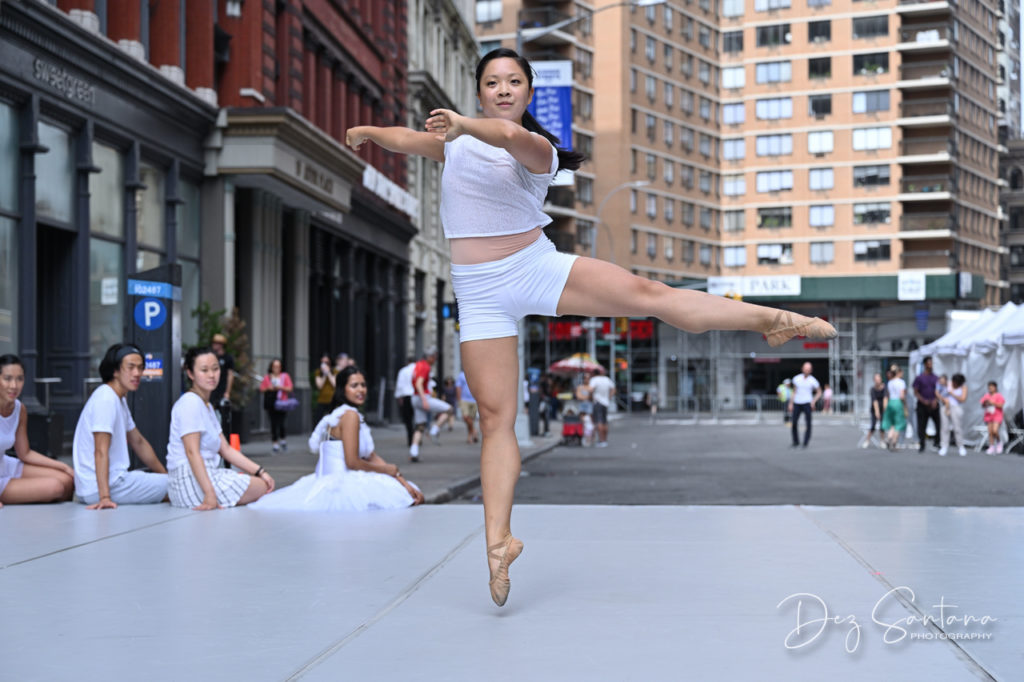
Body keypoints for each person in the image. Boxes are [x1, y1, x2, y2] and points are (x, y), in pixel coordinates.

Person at [345, 47, 835, 606]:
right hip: (478, 291)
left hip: (533, 268)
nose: (502, 90)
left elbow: (506, 140)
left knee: (652, 297)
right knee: (496, 416)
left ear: (528, 93)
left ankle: (773, 319)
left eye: (513, 82)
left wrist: (459, 123)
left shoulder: (537, 148)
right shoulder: (454, 145)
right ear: (479, 89)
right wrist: (369, 132)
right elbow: (407, 139)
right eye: (491, 82)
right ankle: (498, 543)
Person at [251, 366, 424, 510]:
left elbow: (370, 455)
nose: (361, 390)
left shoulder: (343, 414)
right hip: (341, 483)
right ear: (343, 389)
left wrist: (400, 479)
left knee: (409, 493)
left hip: (339, 480)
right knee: (405, 501)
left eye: (363, 385)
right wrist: (388, 471)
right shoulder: (349, 416)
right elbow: (353, 462)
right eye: (354, 385)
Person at [167, 347, 275, 509]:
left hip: (207, 473)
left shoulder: (207, 406)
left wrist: (260, 471)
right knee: (260, 487)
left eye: (215, 369)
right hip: (189, 479)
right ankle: (211, 492)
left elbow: (226, 449)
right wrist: (209, 494)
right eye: (204, 370)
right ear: (190, 374)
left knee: (262, 483)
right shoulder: (190, 403)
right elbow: (192, 452)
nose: (211, 375)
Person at [72, 343, 168, 508]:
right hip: (105, 486)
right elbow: (100, 450)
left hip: (111, 483)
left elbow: (138, 442)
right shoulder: (106, 399)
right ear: (115, 371)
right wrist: (104, 497)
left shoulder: (118, 399)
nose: (137, 373)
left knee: (177, 484)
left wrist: (164, 475)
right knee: (183, 486)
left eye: (140, 368)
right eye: (130, 367)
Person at [0, 354, 75, 505]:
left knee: (67, 479)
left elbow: (25, 453)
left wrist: (64, 466)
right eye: (7, 379)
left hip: (5, 465)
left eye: (19, 379)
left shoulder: (19, 409)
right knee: (56, 487)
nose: (14, 385)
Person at [408, 348, 451, 462]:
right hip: (422, 397)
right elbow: (419, 383)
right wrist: (425, 400)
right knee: (449, 409)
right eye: (435, 357)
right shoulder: (425, 367)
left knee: (420, 426)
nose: (435, 359)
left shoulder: (418, 365)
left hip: (415, 398)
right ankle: (435, 429)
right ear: (430, 357)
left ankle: (414, 451)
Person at [260, 358, 294, 452]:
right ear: (271, 367)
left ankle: (283, 440)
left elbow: (290, 388)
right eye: (274, 366)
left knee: (282, 423)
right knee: (273, 424)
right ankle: (275, 443)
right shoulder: (268, 377)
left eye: (278, 366)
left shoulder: (285, 376)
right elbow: (262, 389)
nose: (276, 369)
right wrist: (268, 388)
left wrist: (280, 387)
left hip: (282, 403)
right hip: (272, 403)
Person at [788, 362, 822, 448]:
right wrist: (791, 403)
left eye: (808, 369)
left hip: (807, 403)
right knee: (794, 422)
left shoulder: (813, 380)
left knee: (808, 423)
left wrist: (813, 401)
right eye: (805, 368)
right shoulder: (796, 379)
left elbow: (819, 392)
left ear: (811, 370)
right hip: (797, 402)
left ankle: (805, 442)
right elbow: (794, 391)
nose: (807, 370)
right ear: (802, 369)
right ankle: (795, 441)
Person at [912, 356, 941, 452]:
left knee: (938, 424)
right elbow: (916, 391)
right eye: (929, 363)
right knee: (922, 425)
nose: (931, 365)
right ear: (925, 365)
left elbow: (939, 390)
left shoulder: (936, 378)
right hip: (923, 404)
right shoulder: (919, 378)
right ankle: (922, 444)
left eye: (931, 363)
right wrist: (923, 400)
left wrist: (935, 400)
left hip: (934, 404)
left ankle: (937, 442)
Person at [209, 333, 235, 432]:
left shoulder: (228, 358)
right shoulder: (211, 357)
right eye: (213, 343)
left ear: (221, 345)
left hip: (222, 388)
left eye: (216, 343)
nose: (214, 345)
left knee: (222, 413)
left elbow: (230, 375)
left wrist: (228, 391)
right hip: (212, 388)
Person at [940, 373, 968, 457]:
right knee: (944, 427)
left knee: (957, 428)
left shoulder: (963, 387)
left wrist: (952, 393)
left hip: (956, 407)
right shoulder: (948, 384)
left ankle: (961, 446)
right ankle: (944, 446)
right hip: (946, 406)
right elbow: (941, 392)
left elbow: (963, 399)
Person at [881, 365, 908, 451]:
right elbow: (902, 396)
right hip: (898, 403)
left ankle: (889, 437)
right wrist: (905, 405)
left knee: (892, 423)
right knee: (898, 424)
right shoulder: (901, 382)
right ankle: (894, 442)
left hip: (891, 402)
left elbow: (888, 395)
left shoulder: (890, 382)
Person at [588, 370, 616, 447]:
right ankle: (605, 440)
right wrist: (609, 397)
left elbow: (590, 390)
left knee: (599, 421)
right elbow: (613, 389)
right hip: (605, 402)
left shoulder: (594, 380)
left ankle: (601, 440)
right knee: (604, 422)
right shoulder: (607, 379)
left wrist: (590, 396)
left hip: (598, 402)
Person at [395, 357, 416, 446]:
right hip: (416, 395)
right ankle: (417, 437)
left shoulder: (403, 371)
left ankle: (411, 439)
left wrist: (399, 397)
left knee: (408, 419)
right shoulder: (418, 369)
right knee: (417, 418)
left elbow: (400, 385)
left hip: (407, 396)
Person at [980, 381, 1006, 455]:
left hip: (997, 415)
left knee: (995, 430)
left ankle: (999, 442)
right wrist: (985, 403)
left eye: (992, 387)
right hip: (989, 415)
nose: (990, 388)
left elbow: (1001, 405)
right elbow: (982, 405)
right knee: (990, 432)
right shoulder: (987, 395)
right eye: (989, 387)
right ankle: (991, 446)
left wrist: (993, 403)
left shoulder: (998, 395)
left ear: (995, 387)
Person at [863, 372, 887, 449]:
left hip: (883, 409)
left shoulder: (885, 388)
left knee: (882, 426)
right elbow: (874, 401)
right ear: (874, 380)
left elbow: (885, 399)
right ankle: (867, 440)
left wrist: (884, 410)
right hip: (874, 410)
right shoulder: (872, 389)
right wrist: (877, 412)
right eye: (876, 379)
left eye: (879, 379)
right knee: (873, 426)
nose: (877, 381)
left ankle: (882, 441)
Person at [312, 353, 338, 425]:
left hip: (332, 399)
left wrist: (329, 373)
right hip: (322, 399)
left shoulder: (335, 371)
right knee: (317, 418)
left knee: (333, 419)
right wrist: (324, 375)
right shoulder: (318, 372)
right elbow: (319, 386)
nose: (324, 364)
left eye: (326, 362)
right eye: (322, 362)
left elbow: (335, 384)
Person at [456, 369, 479, 444]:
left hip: (475, 400)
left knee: (471, 419)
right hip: (464, 399)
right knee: (466, 417)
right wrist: (459, 400)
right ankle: (474, 432)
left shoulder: (477, 374)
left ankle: (470, 436)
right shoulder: (462, 375)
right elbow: (458, 387)